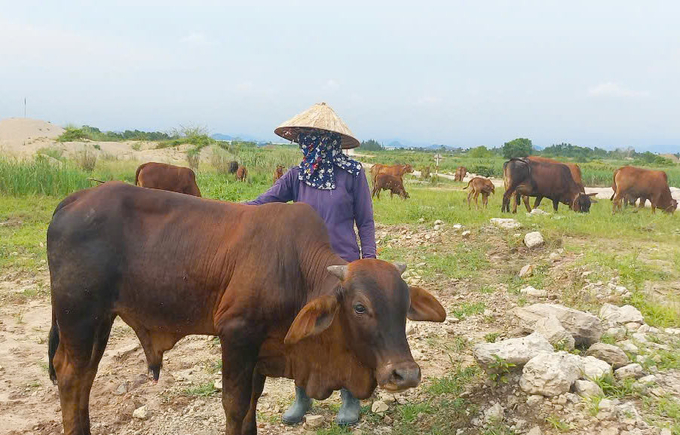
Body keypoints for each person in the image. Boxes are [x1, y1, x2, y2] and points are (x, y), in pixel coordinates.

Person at [245, 102, 376, 425]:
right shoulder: (297, 176)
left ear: (328, 140)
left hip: (342, 265)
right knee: (303, 332)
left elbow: (366, 221)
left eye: (313, 138)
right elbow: (264, 203)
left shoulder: (353, 174)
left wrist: (369, 262)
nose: (309, 145)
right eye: (304, 138)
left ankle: (350, 398)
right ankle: (302, 395)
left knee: (346, 332)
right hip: (301, 268)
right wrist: (227, 212)